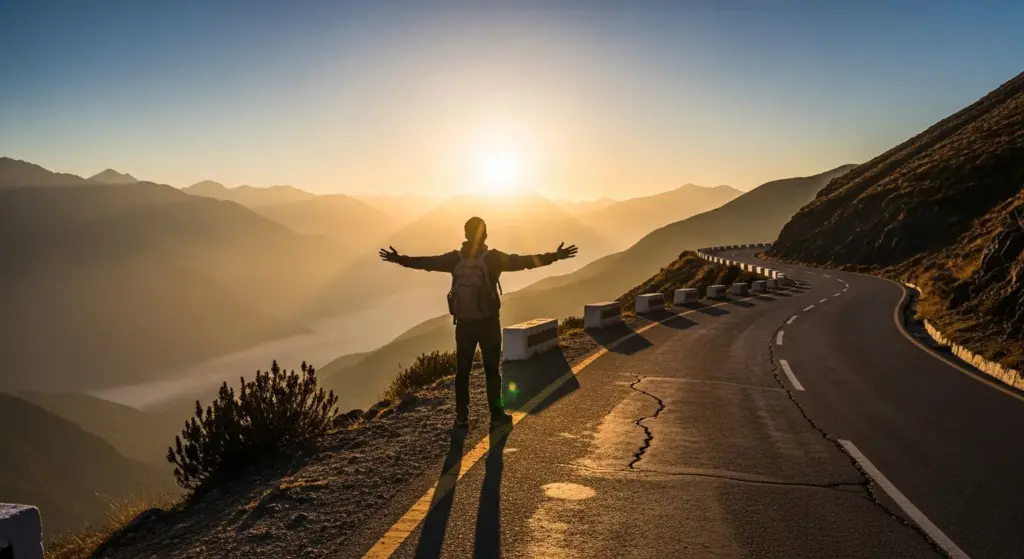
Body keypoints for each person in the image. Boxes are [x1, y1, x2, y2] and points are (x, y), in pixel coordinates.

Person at [379, 216, 578, 429]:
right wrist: (555, 256)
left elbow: (427, 263)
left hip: (464, 325)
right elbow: (524, 262)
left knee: (462, 373)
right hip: (488, 324)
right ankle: (496, 414)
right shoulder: (492, 258)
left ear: (465, 235)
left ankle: (461, 417)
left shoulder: (454, 259)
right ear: (485, 235)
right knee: (491, 371)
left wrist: (399, 259)